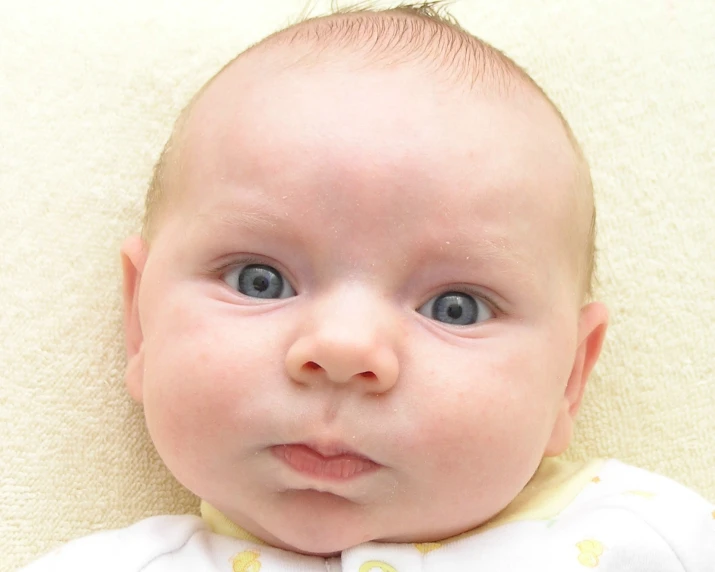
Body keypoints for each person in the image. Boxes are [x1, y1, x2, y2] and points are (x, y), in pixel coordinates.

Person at [21, 3, 714, 571]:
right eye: (259, 281)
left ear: (568, 378)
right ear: (141, 325)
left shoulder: (651, 535)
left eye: (456, 307)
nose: (345, 350)